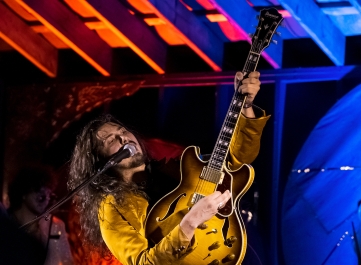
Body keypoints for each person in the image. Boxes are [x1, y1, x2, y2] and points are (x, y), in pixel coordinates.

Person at [68, 71, 269, 265]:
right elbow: (143, 262)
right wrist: (190, 222)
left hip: (235, 251)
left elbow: (237, 161)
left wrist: (246, 107)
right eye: (112, 140)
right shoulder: (112, 207)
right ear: (100, 161)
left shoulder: (176, 168)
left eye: (124, 131)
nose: (124, 138)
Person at [7, 164, 75, 265]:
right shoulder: (6, 223)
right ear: (23, 192)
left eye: (48, 192)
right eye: (38, 189)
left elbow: (67, 261)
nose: (44, 196)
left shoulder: (56, 226)